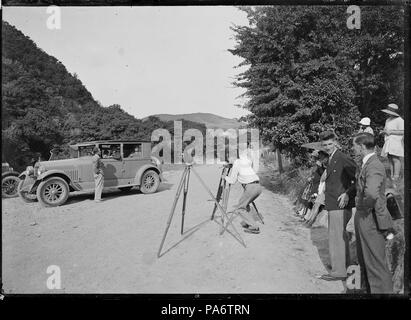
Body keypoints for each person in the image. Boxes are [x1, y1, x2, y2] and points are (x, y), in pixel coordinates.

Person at [352, 132, 394, 293]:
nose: (352, 148)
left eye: (354, 145)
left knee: (375, 262)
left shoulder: (374, 165)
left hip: (370, 217)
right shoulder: (367, 163)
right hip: (366, 216)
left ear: (362, 147)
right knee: (366, 259)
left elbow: (371, 193)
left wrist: (363, 208)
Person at [318, 131, 357, 281]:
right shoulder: (332, 158)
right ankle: (342, 267)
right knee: (339, 237)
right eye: (325, 144)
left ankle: (338, 272)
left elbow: (358, 177)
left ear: (335, 142)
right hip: (334, 203)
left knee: (337, 238)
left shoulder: (341, 157)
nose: (327, 147)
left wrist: (348, 193)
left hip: (340, 204)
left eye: (329, 144)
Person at [225, 148, 262, 234]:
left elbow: (232, 181)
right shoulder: (245, 161)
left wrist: (225, 177)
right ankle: (247, 221)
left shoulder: (237, 163)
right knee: (245, 204)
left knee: (240, 208)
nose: (229, 160)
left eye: (229, 157)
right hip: (258, 187)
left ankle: (254, 227)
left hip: (251, 187)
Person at [380, 103, 404, 181]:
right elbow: (386, 129)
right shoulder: (388, 120)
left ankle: (396, 176)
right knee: (390, 158)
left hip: (396, 142)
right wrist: (383, 132)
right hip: (388, 141)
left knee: (395, 158)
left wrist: (391, 132)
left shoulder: (400, 120)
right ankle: (392, 175)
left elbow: (403, 131)